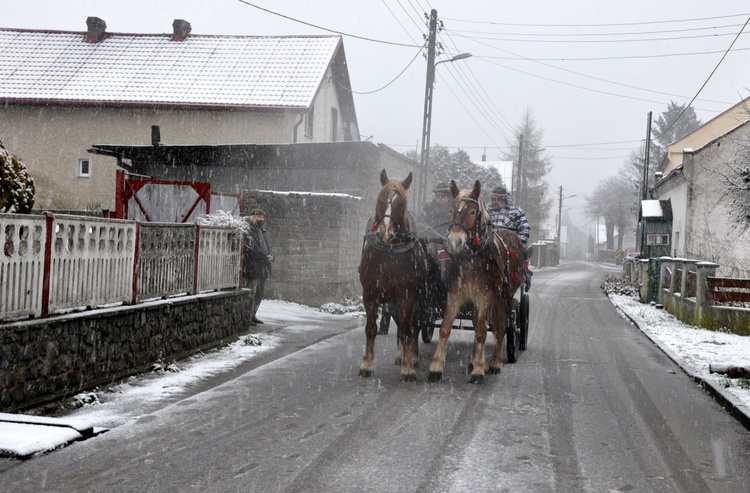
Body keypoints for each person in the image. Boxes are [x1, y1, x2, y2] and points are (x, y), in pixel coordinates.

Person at [488, 186, 533, 290]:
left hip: (509, 247)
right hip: (490, 245)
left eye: (498, 199)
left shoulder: (516, 211)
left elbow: (525, 229)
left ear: (505, 200)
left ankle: (516, 276)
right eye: (493, 199)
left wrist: (518, 245)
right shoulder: (486, 211)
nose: (494, 202)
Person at [242, 208, 276, 326]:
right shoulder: (249, 230)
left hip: (264, 267)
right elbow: (252, 247)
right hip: (253, 266)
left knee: (260, 292)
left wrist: (272, 255)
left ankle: (253, 314)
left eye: (262, 217)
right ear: (253, 218)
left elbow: (270, 245)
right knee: (252, 292)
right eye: (259, 217)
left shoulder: (263, 231)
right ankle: (247, 316)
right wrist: (264, 256)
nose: (261, 219)